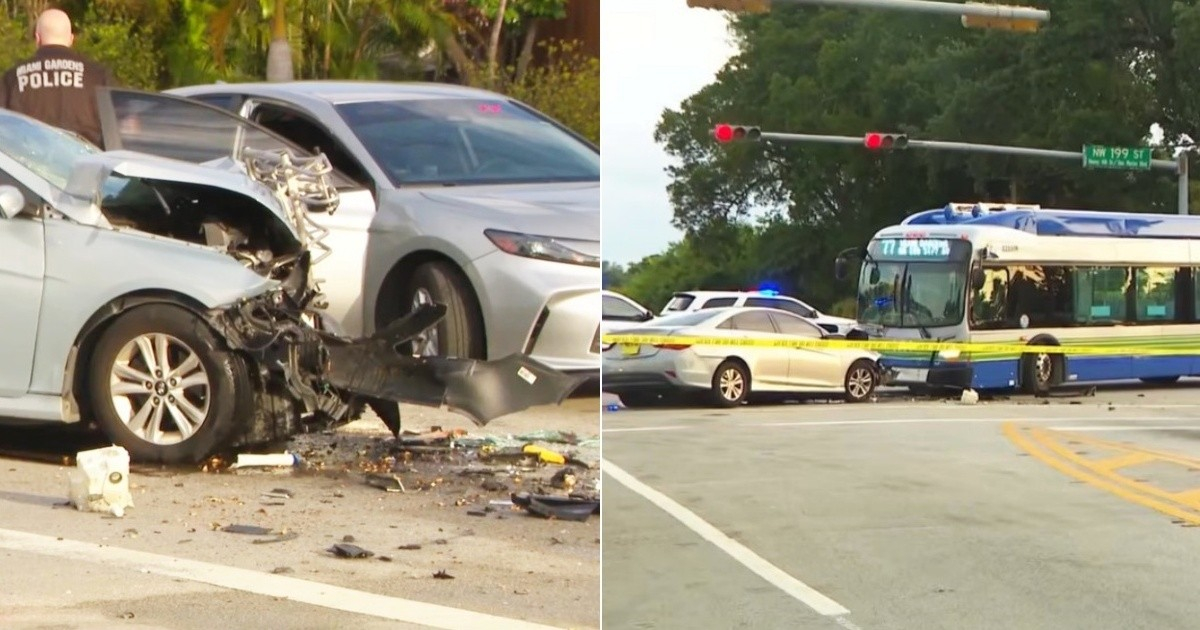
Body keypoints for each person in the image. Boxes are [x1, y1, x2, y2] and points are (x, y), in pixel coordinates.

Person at [0, 9, 114, 148]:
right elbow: (117, 129)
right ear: (71, 39)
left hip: (29, 159)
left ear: (38, 38)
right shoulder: (98, 76)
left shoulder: (12, 79)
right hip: (88, 160)